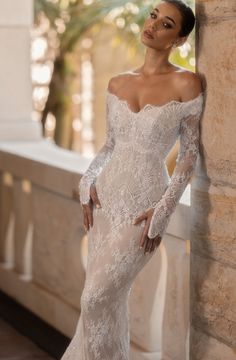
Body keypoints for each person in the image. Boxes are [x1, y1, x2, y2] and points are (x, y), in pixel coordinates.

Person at [61, 0, 204, 359]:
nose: (153, 24)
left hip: (144, 204)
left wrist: (163, 211)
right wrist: (87, 181)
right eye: (154, 15)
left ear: (180, 39)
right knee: (106, 304)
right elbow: (110, 146)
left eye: (167, 24)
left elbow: (189, 155)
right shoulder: (117, 83)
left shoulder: (186, 82)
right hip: (105, 200)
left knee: (94, 298)